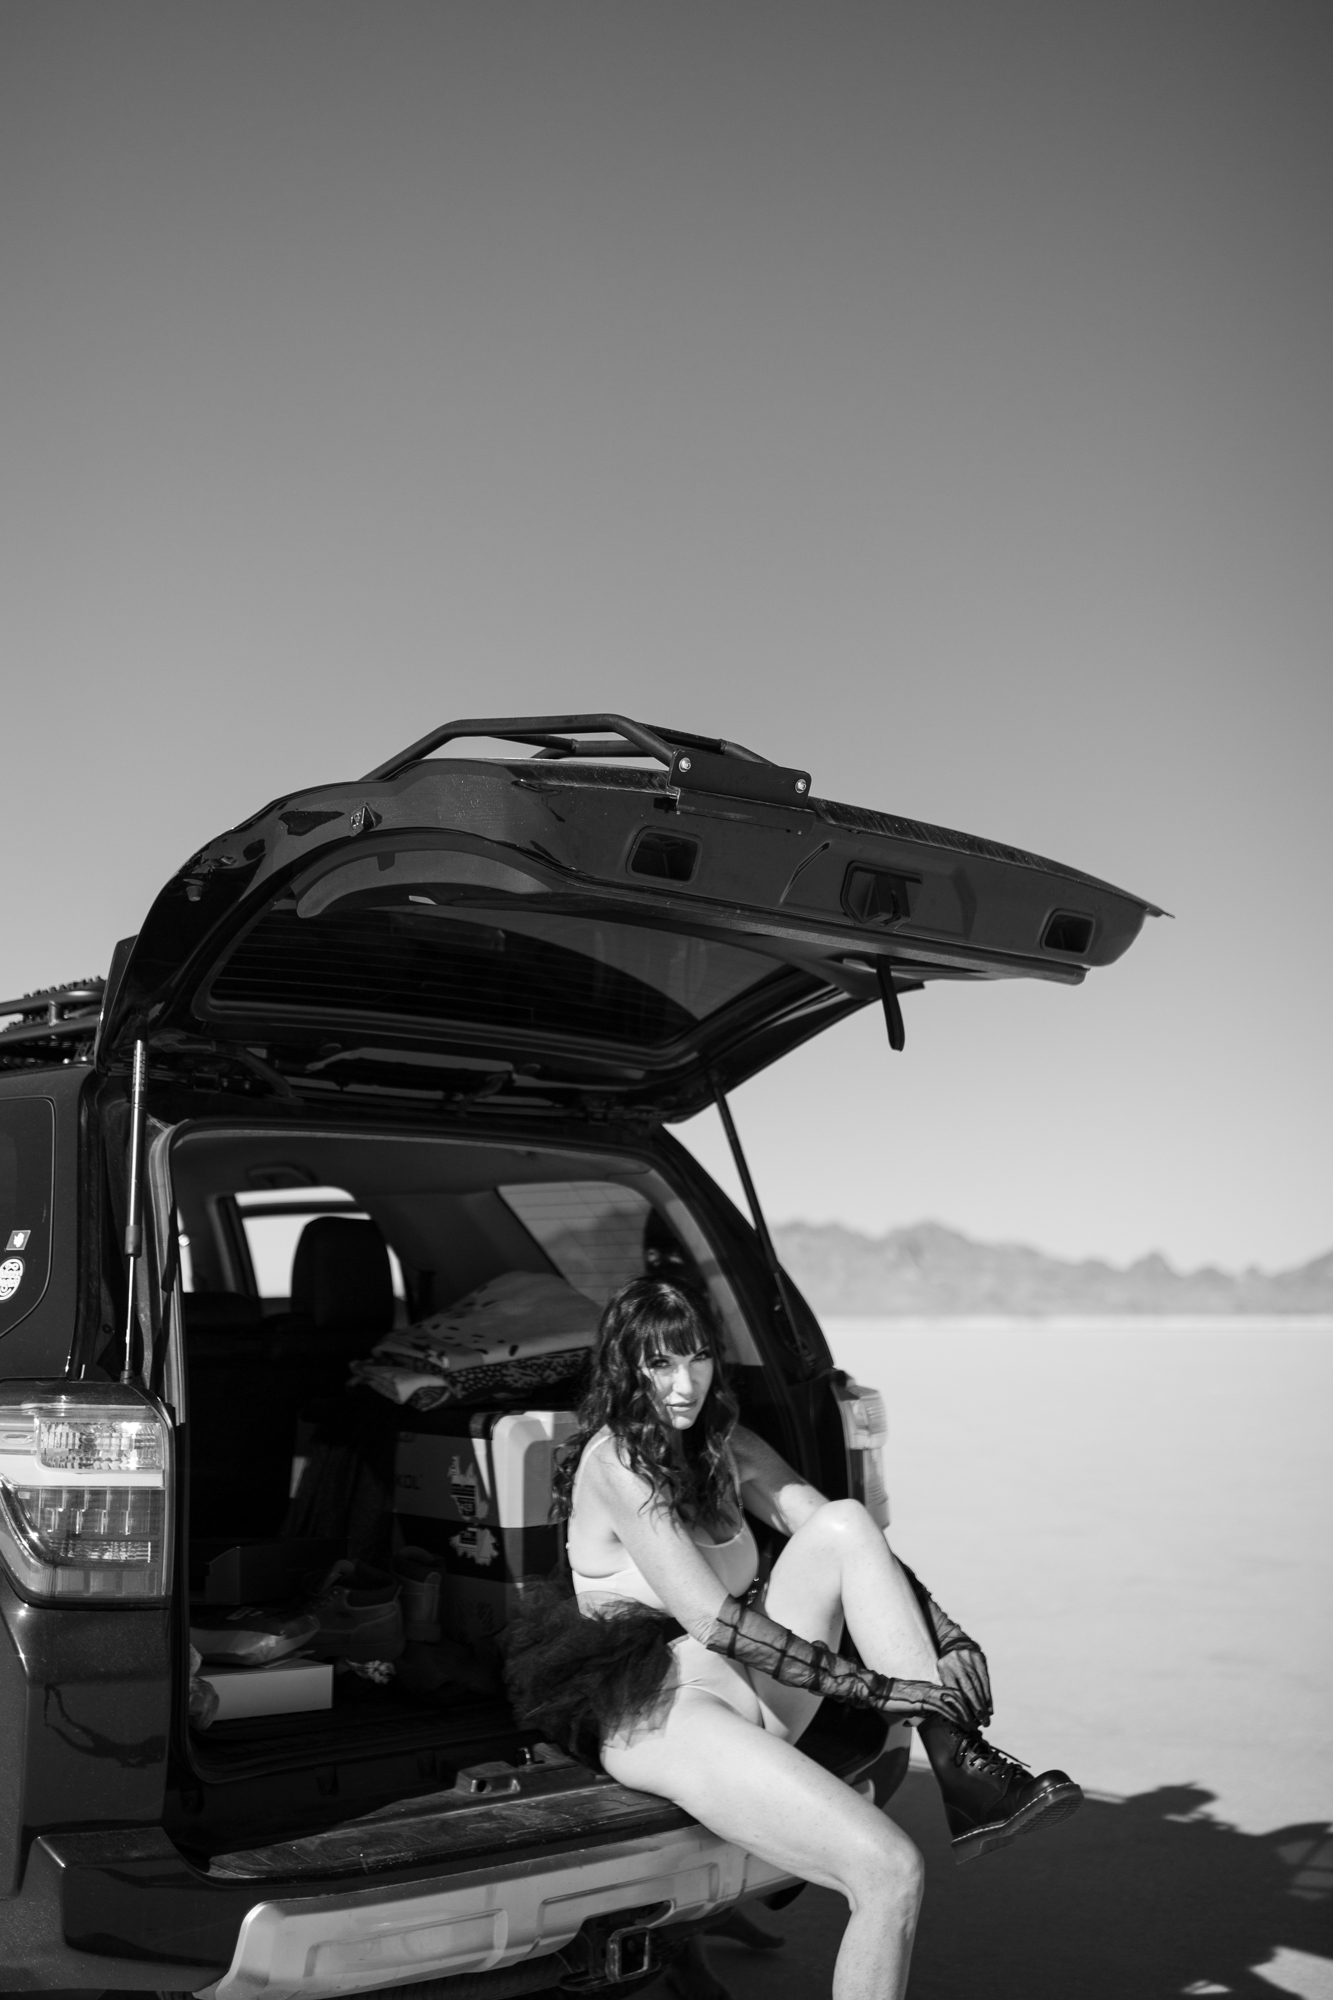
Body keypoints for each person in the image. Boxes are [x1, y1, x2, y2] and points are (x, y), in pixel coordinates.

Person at [504, 1279, 1082, 2000]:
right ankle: (939, 1748)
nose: (684, 1385)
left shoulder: (724, 1445)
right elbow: (711, 1619)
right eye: (660, 1364)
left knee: (843, 1522)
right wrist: (873, 1688)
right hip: (665, 1711)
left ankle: (955, 1763)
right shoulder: (615, 1462)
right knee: (890, 1870)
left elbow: (853, 1541)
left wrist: (949, 1636)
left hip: (753, 1687)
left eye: (697, 1358)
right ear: (627, 1368)